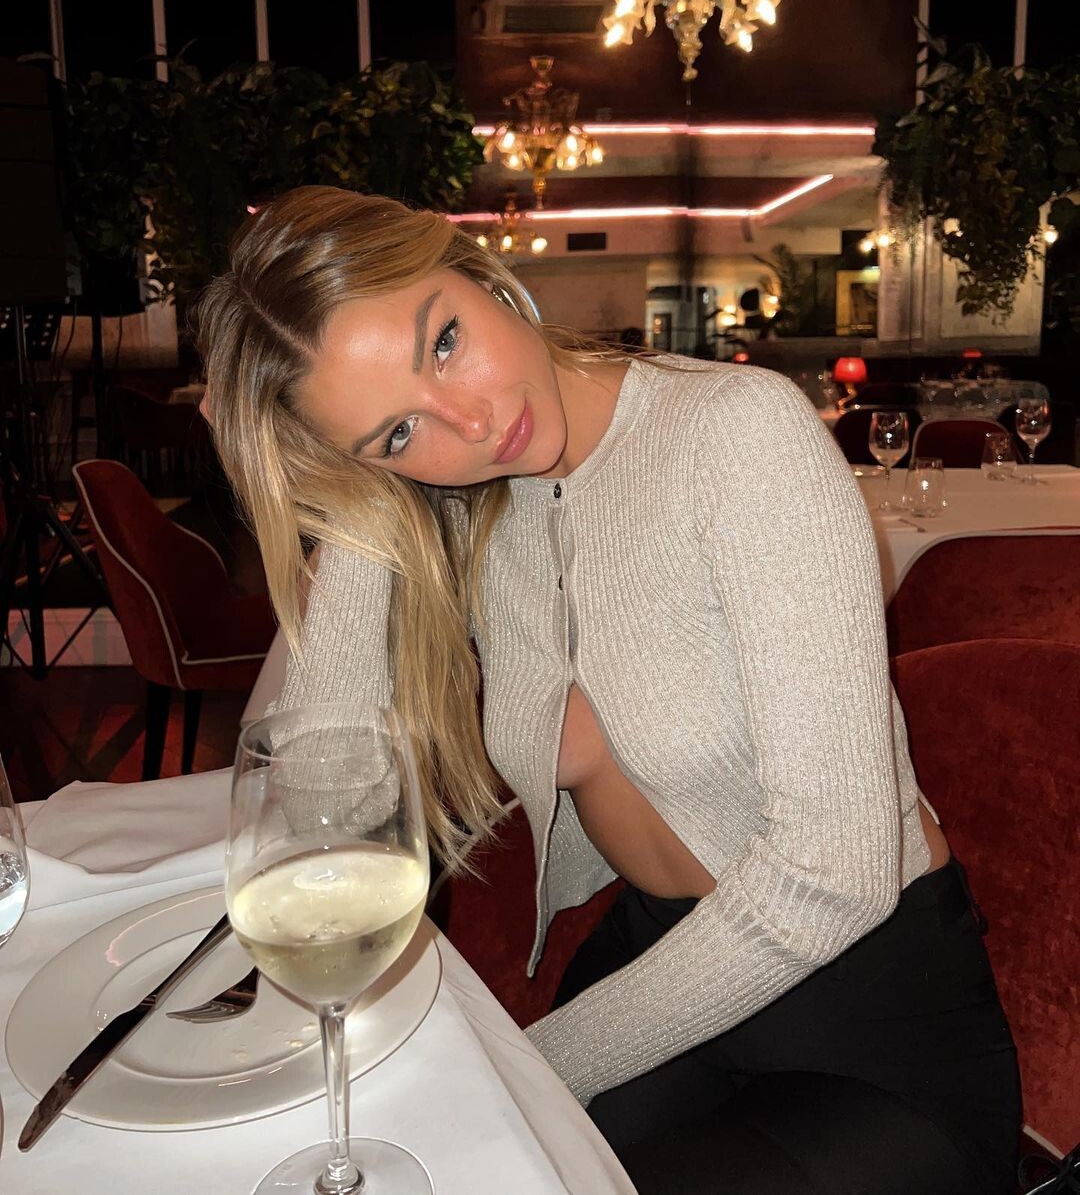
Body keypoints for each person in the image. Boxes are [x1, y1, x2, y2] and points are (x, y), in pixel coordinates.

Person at [194, 186, 1020, 1193]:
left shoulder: (736, 434)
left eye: (444, 341)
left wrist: (526, 1067)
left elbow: (835, 875)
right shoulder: (464, 497)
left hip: (864, 1014)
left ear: (480, 274)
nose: (471, 420)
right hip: (666, 964)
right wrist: (359, 491)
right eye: (400, 431)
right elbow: (322, 794)